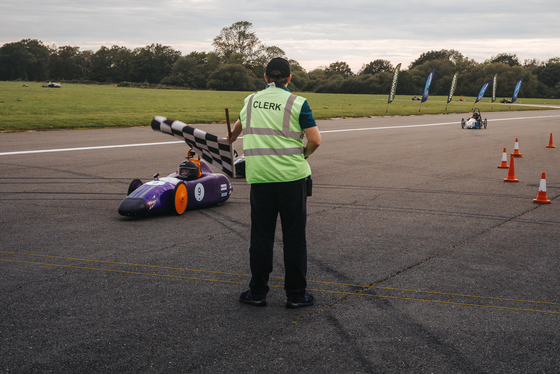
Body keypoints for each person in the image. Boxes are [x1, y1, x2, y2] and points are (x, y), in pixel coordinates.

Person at [228, 57, 321, 308]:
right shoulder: (298, 102)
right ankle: (296, 295)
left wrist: (231, 137)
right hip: (292, 179)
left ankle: (257, 292)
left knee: (261, 237)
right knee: (294, 238)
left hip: (260, 179)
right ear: (289, 78)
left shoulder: (250, 101)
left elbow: (234, 131)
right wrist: (303, 155)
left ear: (265, 77)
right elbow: (315, 140)